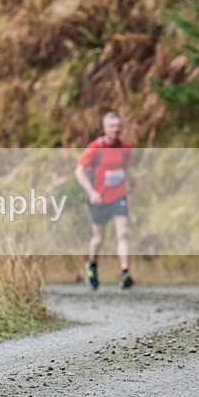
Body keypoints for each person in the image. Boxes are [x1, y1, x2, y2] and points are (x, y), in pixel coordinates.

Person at [75, 111, 134, 290]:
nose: (116, 129)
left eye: (118, 126)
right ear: (104, 128)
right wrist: (91, 192)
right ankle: (92, 265)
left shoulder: (125, 148)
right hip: (99, 199)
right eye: (112, 126)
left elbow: (124, 170)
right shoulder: (95, 148)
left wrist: (128, 193)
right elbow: (79, 171)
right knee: (99, 238)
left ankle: (125, 273)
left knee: (122, 233)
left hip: (118, 197)